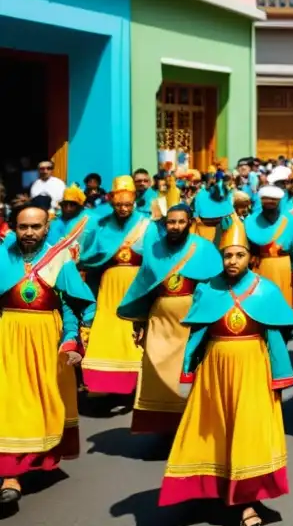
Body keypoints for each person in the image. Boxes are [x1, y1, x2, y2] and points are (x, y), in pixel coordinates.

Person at [158, 216, 293, 526]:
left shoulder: (267, 290)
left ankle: (247, 502)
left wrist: (280, 377)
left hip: (252, 369)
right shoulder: (207, 290)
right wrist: (187, 371)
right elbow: (197, 335)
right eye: (227, 255)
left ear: (251, 257)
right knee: (211, 431)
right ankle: (210, 488)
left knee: (248, 433)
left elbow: (274, 338)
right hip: (214, 371)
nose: (232, 261)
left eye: (239, 254)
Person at [0, 198, 95, 505]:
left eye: (35, 226)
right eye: (23, 226)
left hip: (44, 341)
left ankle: (28, 460)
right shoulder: (1, 256)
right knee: (8, 403)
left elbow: (69, 305)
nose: (29, 232)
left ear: (47, 227)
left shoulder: (61, 259)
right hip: (6, 339)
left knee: (38, 404)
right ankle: (9, 475)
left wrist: (70, 340)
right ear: (14, 227)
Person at [115, 204, 222, 435]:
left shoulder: (204, 248)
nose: (175, 227)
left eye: (180, 222)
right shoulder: (153, 250)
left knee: (191, 373)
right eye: (171, 222)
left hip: (193, 324)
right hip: (160, 322)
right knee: (158, 374)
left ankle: (193, 426)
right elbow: (144, 288)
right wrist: (139, 323)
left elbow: (217, 288)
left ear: (190, 222)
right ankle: (166, 428)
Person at [78, 175, 151, 395]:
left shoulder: (147, 225)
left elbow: (153, 259)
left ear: (134, 202)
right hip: (108, 287)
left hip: (135, 286)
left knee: (133, 332)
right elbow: (90, 256)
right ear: (112, 202)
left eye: (127, 204)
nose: (123, 209)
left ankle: (137, 383)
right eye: (119, 204)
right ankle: (105, 384)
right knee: (108, 328)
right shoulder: (102, 226)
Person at [245, 184, 293, 311]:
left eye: (274, 201)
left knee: (282, 306)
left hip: (284, 271)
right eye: (266, 201)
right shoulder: (250, 221)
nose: (270, 204)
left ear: (280, 202)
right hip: (259, 270)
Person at [46, 183, 92, 261]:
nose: (68, 208)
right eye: (65, 205)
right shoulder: (53, 221)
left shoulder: (87, 222)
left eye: (72, 205)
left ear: (80, 207)